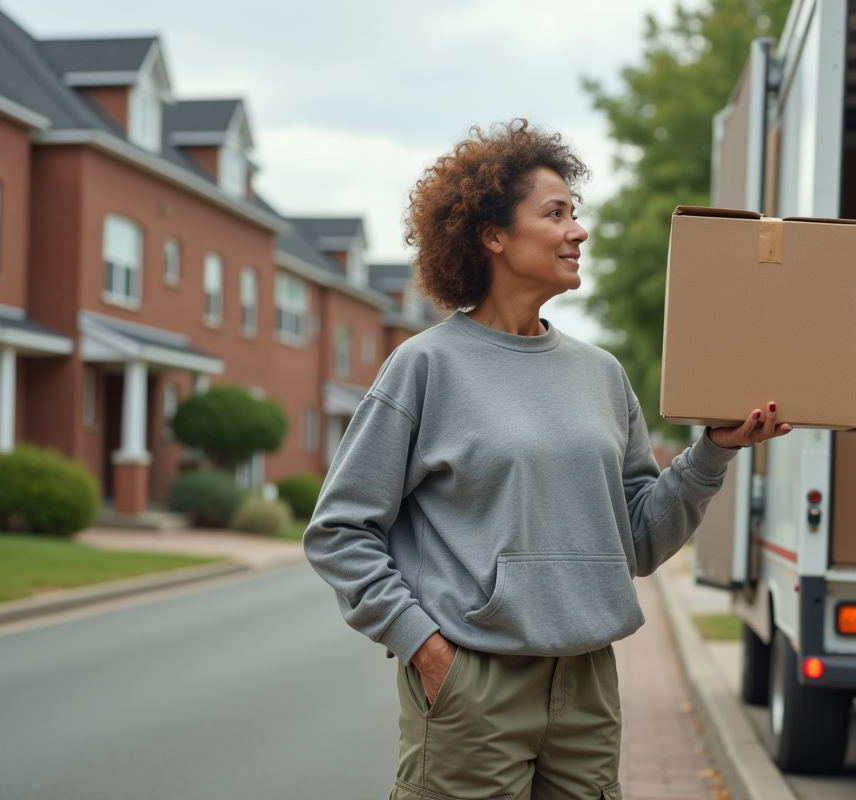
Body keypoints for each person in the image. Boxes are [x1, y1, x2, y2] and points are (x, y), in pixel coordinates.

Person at [303, 119, 791, 800]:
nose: (577, 231)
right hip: (474, 682)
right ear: (493, 235)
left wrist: (712, 452)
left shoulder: (601, 374)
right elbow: (339, 530)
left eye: (575, 213)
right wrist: (423, 643)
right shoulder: (425, 368)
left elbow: (641, 542)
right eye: (555, 213)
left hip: (587, 684)